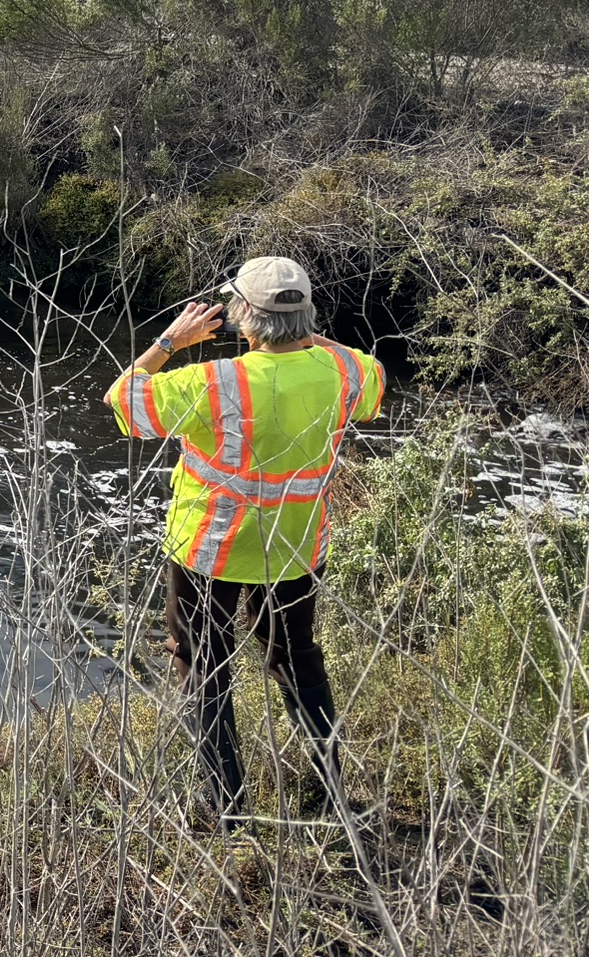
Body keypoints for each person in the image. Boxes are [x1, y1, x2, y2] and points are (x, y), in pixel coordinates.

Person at [105, 255, 386, 831]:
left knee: (203, 665)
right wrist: (302, 331)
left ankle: (227, 811)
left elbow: (124, 403)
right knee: (297, 659)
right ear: (306, 314)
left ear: (240, 319)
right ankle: (331, 793)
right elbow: (369, 377)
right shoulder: (346, 373)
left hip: (210, 547)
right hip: (297, 546)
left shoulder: (215, 382)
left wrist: (169, 341)